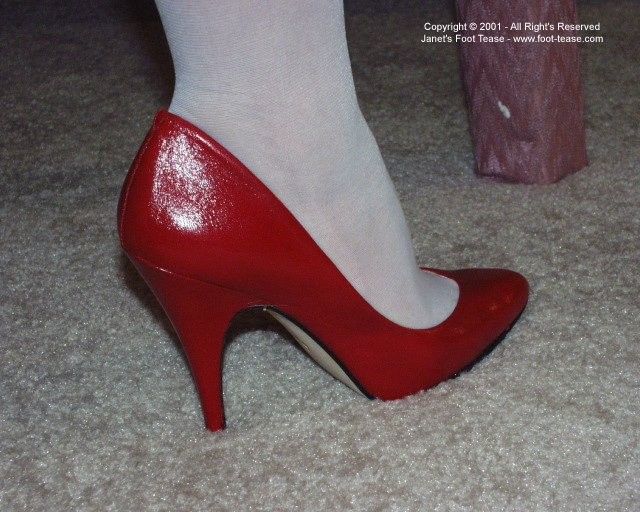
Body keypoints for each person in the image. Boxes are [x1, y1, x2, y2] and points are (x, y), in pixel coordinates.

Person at [117, 0, 528, 431]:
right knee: (267, 97)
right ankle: (302, 156)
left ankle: (230, 141)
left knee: (232, 84)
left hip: (193, 186)